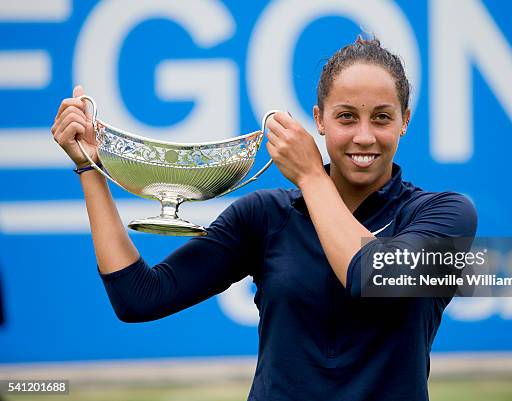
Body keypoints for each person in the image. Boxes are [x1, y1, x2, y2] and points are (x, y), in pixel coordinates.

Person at [51, 37, 477, 401]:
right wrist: (90, 167)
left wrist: (311, 176)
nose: (364, 135)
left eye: (381, 117)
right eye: (346, 116)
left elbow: (370, 276)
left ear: (404, 122)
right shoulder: (266, 215)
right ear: (319, 121)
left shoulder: (445, 215)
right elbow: (139, 297)